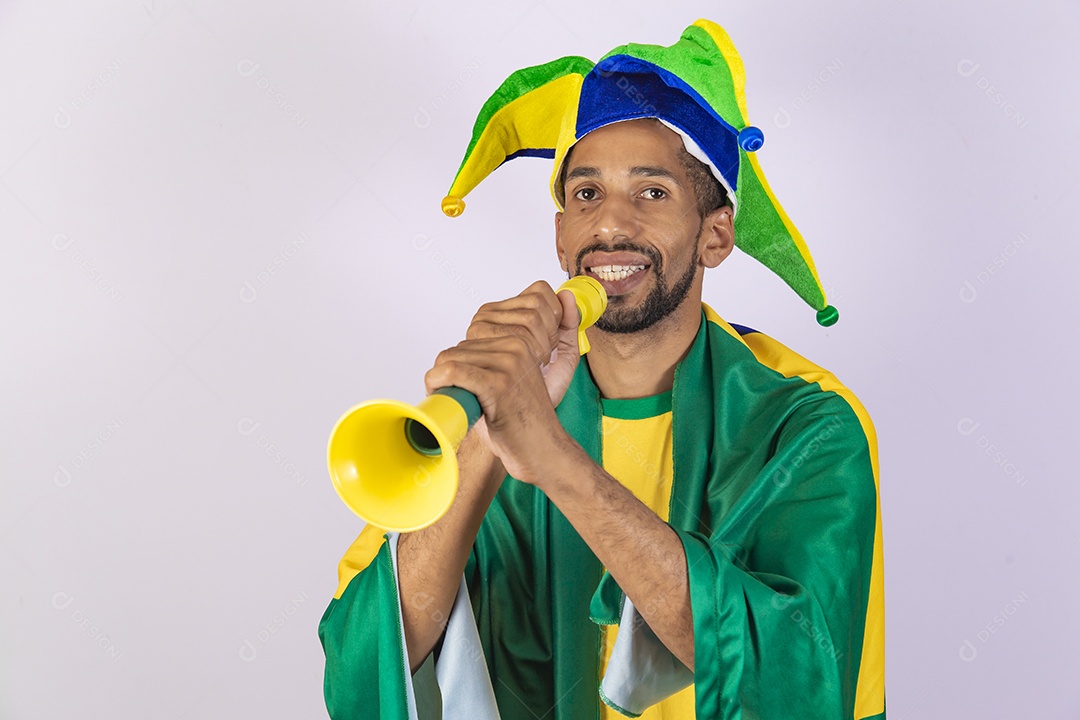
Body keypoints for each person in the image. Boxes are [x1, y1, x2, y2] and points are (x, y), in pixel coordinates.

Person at [319, 19, 885, 720]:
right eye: (585, 194)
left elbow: (798, 678)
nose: (610, 226)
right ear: (560, 234)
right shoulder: (492, 404)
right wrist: (483, 443)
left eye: (651, 193)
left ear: (714, 236)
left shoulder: (807, 419)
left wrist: (551, 457)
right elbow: (366, 668)